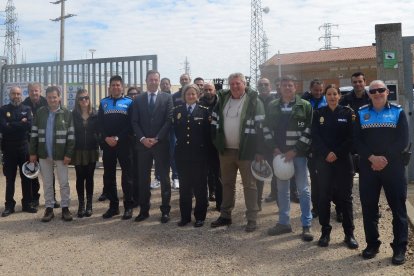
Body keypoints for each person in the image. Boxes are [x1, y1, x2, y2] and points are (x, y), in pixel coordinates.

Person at [354, 80, 408, 265]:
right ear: (369, 94)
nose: (377, 93)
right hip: (369, 168)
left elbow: (403, 140)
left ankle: (399, 248)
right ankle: (372, 244)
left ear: (387, 92)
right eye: (373, 91)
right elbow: (356, 141)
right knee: (369, 208)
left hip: (393, 167)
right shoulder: (361, 113)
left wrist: (383, 159)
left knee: (398, 210)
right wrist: (372, 158)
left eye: (380, 90)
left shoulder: (398, 112)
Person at [210, 72, 265, 232]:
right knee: (227, 184)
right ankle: (225, 215)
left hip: (247, 151)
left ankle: (252, 219)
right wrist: (217, 142)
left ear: (244, 84)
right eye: (232, 83)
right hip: (226, 151)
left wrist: (259, 150)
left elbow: (261, 128)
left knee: (250, 185)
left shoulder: (254, 101)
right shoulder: (222, 100)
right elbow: (214, 123)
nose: (235, 86)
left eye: (238, 83)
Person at [263, 75, 313, 241]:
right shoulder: (272, 106)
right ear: (280, 88)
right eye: (284, 86)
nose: (287, 88)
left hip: (298, 155)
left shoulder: (304, 106)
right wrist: (274, 148)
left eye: (290, 85)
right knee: (282, 190)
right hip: (280, 156)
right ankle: (284, 223)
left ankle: (306, 225)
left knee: (303, 190)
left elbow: (309, 130)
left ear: (295, 87)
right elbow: (266, 129)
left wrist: (296, 150)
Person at [311, 84, 358, 249]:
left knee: (346, 199)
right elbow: (315, 137)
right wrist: (326, 153)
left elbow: (352, 138)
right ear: (325, 97)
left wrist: (336, 153)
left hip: (343, 161)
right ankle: (325, 232)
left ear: (339, 96)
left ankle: (349, 234)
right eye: (329, 94)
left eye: (334, 94)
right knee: (324, 197)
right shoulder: (318, 114)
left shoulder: (348, 113)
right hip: (324, 162)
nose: (332, 97)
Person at [131, 70, 173, 223]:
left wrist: (156, 138)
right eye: (151, 79)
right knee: (143, 179)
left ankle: (165, 211)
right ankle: (144, 210)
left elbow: (169, 120)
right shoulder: (138, 99)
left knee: (164, 178)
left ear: (159, 81)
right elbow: (134, 121)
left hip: (160, 144)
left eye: (156, 79)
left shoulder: (167, 98)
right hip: (143, 146)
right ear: (146, 80)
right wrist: (143, 139)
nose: (153, 82)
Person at [29, 86, 75, 222]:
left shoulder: (67, 113)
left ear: (59, 97)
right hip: (44, 154)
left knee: (64, 183)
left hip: (61, 155)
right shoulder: (40, 112)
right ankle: (49, 208)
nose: (52, 100)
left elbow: (71, 136)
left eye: (55, 97)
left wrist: (68, 153)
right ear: (46, 98)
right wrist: (32, 153)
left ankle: (65, 208)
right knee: (47, 183)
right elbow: (34, 134)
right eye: (49, 97)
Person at [173, 84, 210, 227]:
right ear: (184, 96)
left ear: (198, 95)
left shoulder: (204, 111)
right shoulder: (177, 111)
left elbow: (207, 135)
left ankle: (200, 216)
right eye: (188, 94)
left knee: (200, 186)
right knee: (185, 187)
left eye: (193, 94)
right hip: (182, 155)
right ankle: (185, 217)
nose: (191, 96)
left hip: (199, 156)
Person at [98, 75, 134, 220]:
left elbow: (131, 125)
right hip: (108, 145)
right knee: (109, 176)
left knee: (127, 177)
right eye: (113, 85)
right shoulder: (103, 102)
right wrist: (106, 138)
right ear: (109, 87)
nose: (115, 87)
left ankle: (128, 207)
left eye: (118, 85)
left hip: (124, 144)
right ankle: (113, 207)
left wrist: (117, 138)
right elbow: (99, 124)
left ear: (122, 87)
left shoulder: (129, 102)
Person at [339, 72, 371, 222]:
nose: (357, 84)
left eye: (360, 81)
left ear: (365, 82)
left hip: (366, 146)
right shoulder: (345, 100)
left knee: (369, 182)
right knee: (345, 182)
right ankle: (341, 210)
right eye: (355, 82)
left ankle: (371, 210)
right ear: (352, 83)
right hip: (349, 146)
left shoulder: (372, 99)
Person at [0, 86, 37, 217]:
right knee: (10, 179)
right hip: (9, 148)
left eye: (18, 94)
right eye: (13, 94)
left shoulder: (27, 109)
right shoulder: (3, 109)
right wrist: (20, 123)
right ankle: (9, 205)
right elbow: (4, 128)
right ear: (9, 95)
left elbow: (29, 125)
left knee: (26, 177)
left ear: (21, 95)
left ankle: (27, 203)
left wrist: (12, 124)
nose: (16, 96)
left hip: (24, 147)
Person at [23, 82, 60, 209]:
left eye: (36, 91)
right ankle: (35, 198)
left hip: (45, 144)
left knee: (49, 172)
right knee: (33, 171)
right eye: (32, 91)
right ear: (28, 92)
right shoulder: (24, 104)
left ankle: (52, 198)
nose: (34, 93)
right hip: (31, 143)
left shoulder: (46, 102)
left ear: (40, 91)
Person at [71, 89, 99, 218]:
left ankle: (89, 205)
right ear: (77, 100)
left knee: (89, 177)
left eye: (86, 98)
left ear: (89, 99)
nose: (84, 100)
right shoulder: (73, 115)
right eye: (81, 98)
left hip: (92, 150)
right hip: (78, 150)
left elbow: (100, 131)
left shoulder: (95, 114)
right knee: (79, 177)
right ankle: (81, 205)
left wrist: (97, 139)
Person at [302, 79, 327, 219]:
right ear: (310, 89)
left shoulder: (327, 100)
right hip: (311, 146)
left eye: (320, 90)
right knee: (315, 179)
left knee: (330, 180)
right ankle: (316, 207)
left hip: (326, 144)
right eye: (315, 90)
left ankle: (333, 207)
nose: (318, 93)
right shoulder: (305, 102)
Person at [199, 82, 222, 210]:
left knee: (218, 175)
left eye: (210, 89)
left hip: (216, 144)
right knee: (203, 175)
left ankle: (220, 203)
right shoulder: (198, 103)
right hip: (202, 144)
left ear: (214, 91)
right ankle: (204, 201)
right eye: (205, 89)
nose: (208, 92)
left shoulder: (220, 103)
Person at [255, 77, 277, 210]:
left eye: (266, 84)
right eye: (261, 85)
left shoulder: (276, 102)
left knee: (277, 174)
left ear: (270, 86)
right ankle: (257, 203)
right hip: (258, 145)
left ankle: (275, 196)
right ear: (257, 87)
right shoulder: (253, 101)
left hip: (274, 145)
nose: (263, 87)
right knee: (259, 175)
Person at [127, 86, 141, 207]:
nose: (133, 96)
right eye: (130, 94)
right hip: (129, 143)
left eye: (135, 94)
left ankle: (140, 196)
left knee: (141, 172)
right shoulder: (126, 108)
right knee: (131, 172)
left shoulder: (142, 106)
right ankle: (133, 198)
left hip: (141, 143)